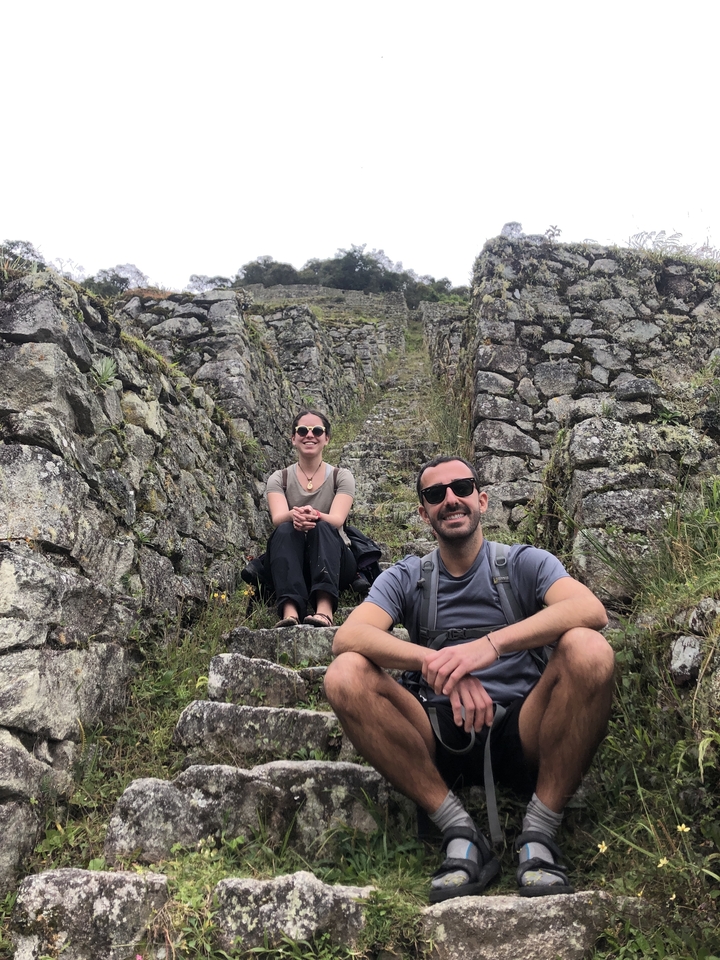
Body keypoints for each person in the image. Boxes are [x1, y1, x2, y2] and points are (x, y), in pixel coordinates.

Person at [324, 455, 615, 901]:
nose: (451, 499)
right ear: (423, 513)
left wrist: (490, 646)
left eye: (461, 487)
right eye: (436, 494)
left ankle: (539, 832)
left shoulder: (525, 563)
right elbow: (349, 636)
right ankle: (458, 830)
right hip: (438, 731)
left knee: (589, 649)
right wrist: (435, 665)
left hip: (525, 726)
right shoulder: (408, 576)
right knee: (344, 674)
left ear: (481, 498)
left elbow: (590, 610)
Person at [265, 409, 358, 627]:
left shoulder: (341, 477)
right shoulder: (279, 478)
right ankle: (290, 612)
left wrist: (314, 515)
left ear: (326, 439)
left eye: (317, 430)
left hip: (334, 560)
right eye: (302, 431)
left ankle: (324, 611)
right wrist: (293, 515)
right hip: (293, 559)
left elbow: (337, 519)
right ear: (293, 439)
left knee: (324, 527)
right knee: (286, 529)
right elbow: (278, 518)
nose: (309, 435)